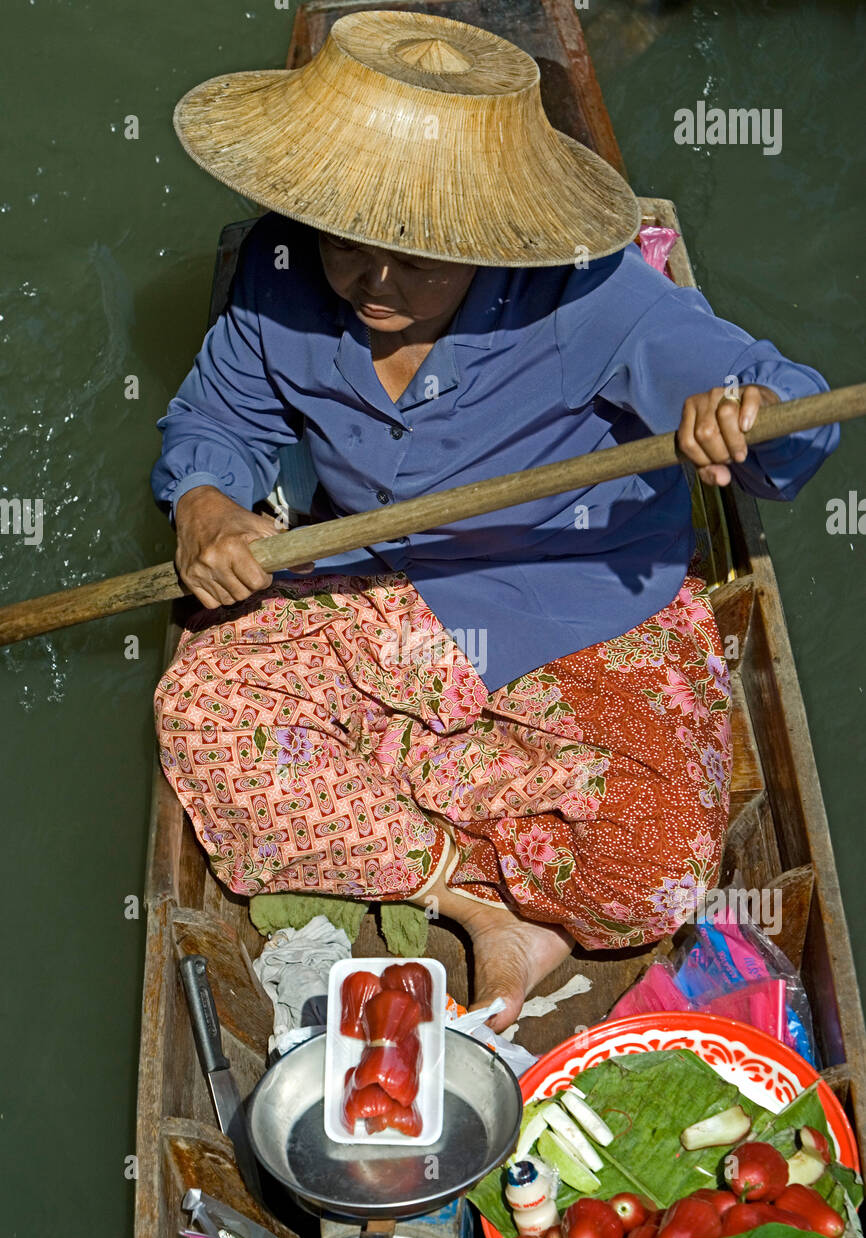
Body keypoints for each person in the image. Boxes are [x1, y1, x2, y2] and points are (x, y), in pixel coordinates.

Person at [152, 11, 838, 1031]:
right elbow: (215, 419)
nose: (373, 285)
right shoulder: (281, 273)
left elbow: (774, 403)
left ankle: (406, 766)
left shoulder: (590, 296)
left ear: (484, 238)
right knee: (202, 706)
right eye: (349, 246)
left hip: (573, 602)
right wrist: (205, 501)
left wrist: (740, 418)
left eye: (417, 261)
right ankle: (474, 902)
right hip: (375, 592)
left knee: (650, 876)